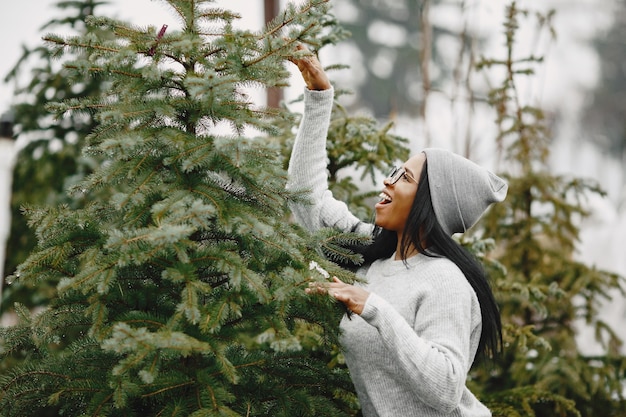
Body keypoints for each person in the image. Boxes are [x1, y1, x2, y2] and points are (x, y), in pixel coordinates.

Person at [287, 46, 508, 417]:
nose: (386, 182)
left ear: (428, 202)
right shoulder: (373, 254)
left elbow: (445, 387)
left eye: (403, 178)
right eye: (393, 171)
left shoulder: (444, 281)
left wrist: (372, 306)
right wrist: (319, 98)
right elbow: (305, 198)